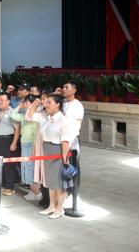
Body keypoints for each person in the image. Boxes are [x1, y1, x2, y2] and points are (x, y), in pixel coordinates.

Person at [29, 94, 74, 219]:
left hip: (57, 150)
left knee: (58, 182)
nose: (46, 104)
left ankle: (60, 208)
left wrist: (65, 156)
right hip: (47, 149)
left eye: (49, 102)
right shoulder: (45, 116)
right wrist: (34, 104)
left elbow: (65, 139)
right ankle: (51, 205)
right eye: (46, 102)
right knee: (50, 180)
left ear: (57, 104)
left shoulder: (62, 120)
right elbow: (32, 115)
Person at [11, 94, 41, 201]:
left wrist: (34, 147)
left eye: (27, 102)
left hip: (31, 144)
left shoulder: (35, 116)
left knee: (33, 169)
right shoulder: (24, 115)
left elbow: (36, 133)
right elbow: (13, 115)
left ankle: (36, 192)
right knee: (27, 169)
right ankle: (32, 191)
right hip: (24, 144)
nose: (25, 104)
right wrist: (19, 106)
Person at [62, 80, 84, 208]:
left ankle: (75, 195)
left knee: (73, 167)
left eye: (67, 87)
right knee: (63, 167)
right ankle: (65, 193)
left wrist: (70, 141)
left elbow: (77, 125)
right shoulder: (62, 103)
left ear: (74, 90)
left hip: (72, 139)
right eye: (63, 87)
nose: (64, 89)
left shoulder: (77, 105)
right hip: (62, 139)